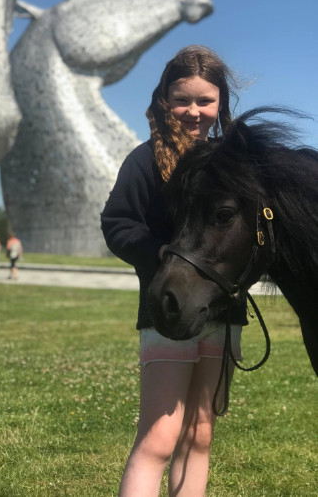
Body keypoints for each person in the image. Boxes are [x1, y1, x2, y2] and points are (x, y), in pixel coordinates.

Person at [101, 45, 247, 497]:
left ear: (220, 102)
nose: (193, 111)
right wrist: (163, 255)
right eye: (182, 99)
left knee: (200, 435)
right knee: (159, 440)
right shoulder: (145, 160)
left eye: (205, 100)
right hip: (168, 311)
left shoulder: (236, 161)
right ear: (164, 99)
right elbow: (117, 223)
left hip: (224, 313)